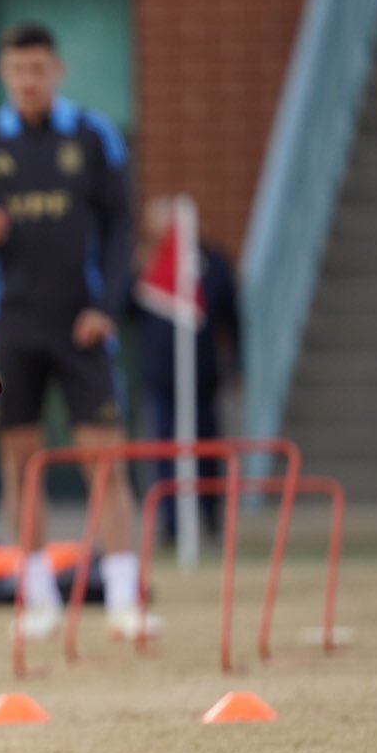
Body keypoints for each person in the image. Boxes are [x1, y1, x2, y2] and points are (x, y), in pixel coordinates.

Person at [0, 22, 151, 639]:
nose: (28, 81)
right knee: (20, 464)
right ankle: (35, 599)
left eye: (38, 70)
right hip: (12, 326)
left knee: (105, 461)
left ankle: (124, 598)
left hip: (82, 323)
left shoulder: (91, 136)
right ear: (6, 74)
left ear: (56, 71)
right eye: (17, 71)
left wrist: (107, 307)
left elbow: (121, 228)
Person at [133, 196, 240, 542]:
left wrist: (236, 364)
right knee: (164, 449)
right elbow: (124, 307)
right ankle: (172, 523)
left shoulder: (212, 262)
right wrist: (140, 269)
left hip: (203, 375)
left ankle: (208, 516)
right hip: (160, 374)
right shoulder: (147, 264)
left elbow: (232, 317)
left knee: (206, 447)